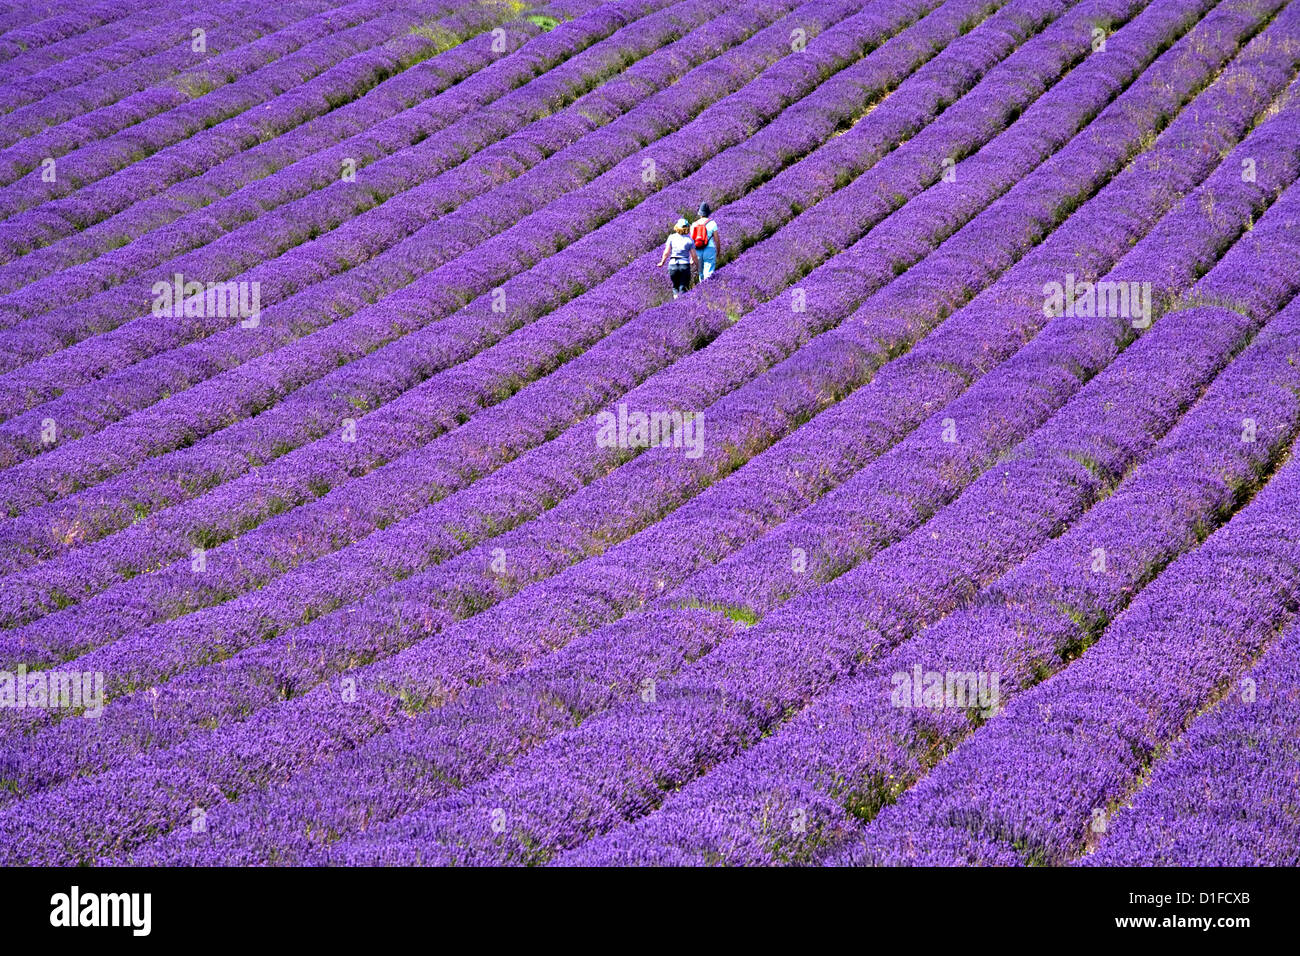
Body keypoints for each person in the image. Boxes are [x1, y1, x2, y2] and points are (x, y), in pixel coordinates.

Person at [658, 217, 698, 298]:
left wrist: (662, 262)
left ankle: (676, 303)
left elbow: (666, 252)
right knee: (683, 287)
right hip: (684, 265)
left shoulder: (671, 237)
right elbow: (694, 255)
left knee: (675, 287)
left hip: (673, 265)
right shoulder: (689, 240)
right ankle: (682, 304)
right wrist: (698, 265)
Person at [690, 202, 720, 280]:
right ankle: (708, 288)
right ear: (708, 213)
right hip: (710, 249)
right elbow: (717, 240)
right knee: (709, 272)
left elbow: (692, 241)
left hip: (697, 251)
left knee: (701, 273)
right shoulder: (712, 223)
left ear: (700, 214)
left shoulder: (694, 224)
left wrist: (692, 256)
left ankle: (702, 289)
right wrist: (718, 251)